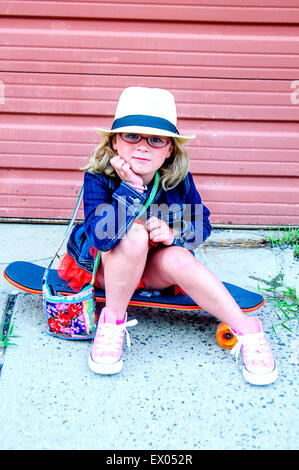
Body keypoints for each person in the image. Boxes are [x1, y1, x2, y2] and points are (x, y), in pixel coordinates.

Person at [58, 87, 278, 385]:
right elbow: (101, 239)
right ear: (114, 142)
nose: (143, 147)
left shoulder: (177, 181)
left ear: (169, 149)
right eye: (131, 136)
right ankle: (111, 325)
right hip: (103, 270)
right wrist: (132, 188)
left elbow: (202, 224)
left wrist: (174, 234)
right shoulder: (98, 177)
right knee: (133, 235)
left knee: (178, 256)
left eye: (156, 139)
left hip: (149, 271)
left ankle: (248, 331)